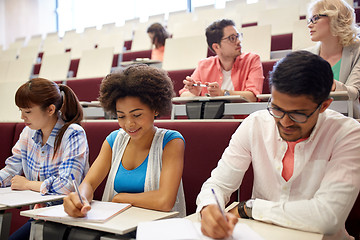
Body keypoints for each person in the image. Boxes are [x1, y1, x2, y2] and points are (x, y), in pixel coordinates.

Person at [196, 51, 360, 240]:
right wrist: (209, 207)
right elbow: (218, 184)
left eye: (298, 114)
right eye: (277, 109)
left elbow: (327, 216)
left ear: (324, 106)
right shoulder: (255, 124)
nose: (285, 122)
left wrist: (249, 208)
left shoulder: (348, 134)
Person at [63, 64, 186, 221]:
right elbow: (89, 184)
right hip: (117, 227)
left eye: (137, 115)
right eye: (121, 116)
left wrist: (121, 198)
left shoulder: (172, 141)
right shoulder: (113, 140)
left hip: (157, 229)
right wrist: (80, 199)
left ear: (155, 109)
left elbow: (164, 201)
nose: (129, 124)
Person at [0, 78, 89, 240]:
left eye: (27, 112)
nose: (22, 117)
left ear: (50, 110)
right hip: (39, 215)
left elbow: (67, 186)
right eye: (20, 111)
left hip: (68, 217)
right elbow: (11, 169)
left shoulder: (73, 133)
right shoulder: (29, 132)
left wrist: (28, 184)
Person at [179, 19, 264, 102]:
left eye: (238, 36)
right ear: (216, 47)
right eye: (232, 38)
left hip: (243, 116)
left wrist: (223, 93)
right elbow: (183, 95)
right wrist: (195, 94)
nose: (238, 41)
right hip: (212, 116)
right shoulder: (204, 65)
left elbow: (252, 96)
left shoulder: (252, 60)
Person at [307, 0, 360, 118]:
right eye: (309, 20)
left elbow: (354, 93)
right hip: (312, 118)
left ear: (335, 18)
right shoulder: (306, 55)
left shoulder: (357, 50)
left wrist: (327, 82)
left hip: (347, 118)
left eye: (315, 18)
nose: (310, 25)